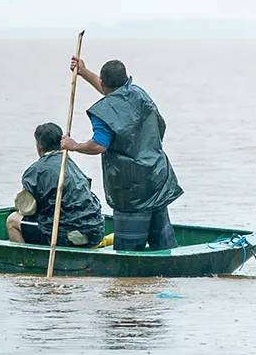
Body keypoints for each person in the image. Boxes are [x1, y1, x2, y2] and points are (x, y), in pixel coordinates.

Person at [59, 57, 184, 251]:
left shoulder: (105, 112)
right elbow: (115, 95)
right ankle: (167, 278)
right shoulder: (139, 94)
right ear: (126, 79)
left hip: (130, 189)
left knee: (129, 250)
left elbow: (99, 145)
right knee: (163, 245)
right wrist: (84, 73)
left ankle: (129, 280)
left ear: (103, 82)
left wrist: (74, 145)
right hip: (156, 178)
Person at [8, 122, 106, 247]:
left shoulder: (35, 171)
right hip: (95, 233)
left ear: (38, 146)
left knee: (12, 220)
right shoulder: (70, 164)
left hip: (67, 236)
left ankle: (25, 262)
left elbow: (26, 210)